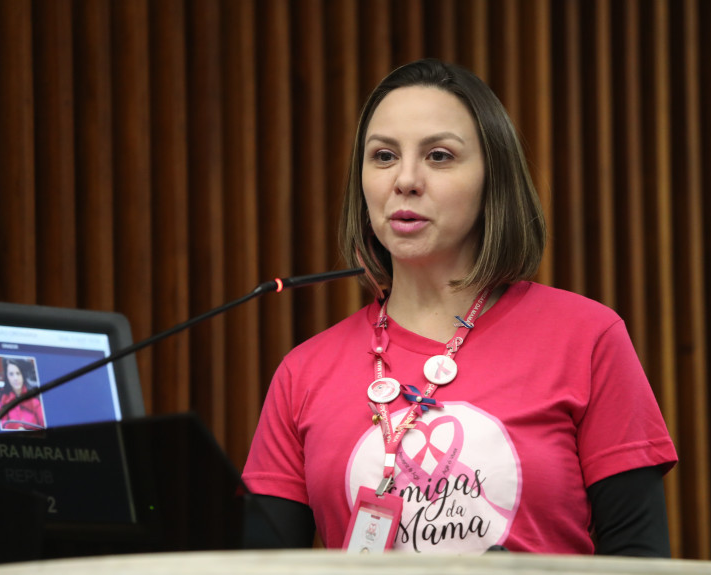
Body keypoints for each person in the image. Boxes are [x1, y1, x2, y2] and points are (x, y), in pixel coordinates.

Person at [243, 58, 677, 555]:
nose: (405, 180)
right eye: (383, 156)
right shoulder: (303, 373)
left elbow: (640, 557)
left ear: (493, 179)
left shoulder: (587, 337)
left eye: (439, 156)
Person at [0, 358, 46, 431]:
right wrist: (14, 426)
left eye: (18, 373)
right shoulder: (4, 401)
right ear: (7, 377)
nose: (15, 378)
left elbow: (45, 426)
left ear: (23, 375)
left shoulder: (35, 401)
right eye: (11, 374)